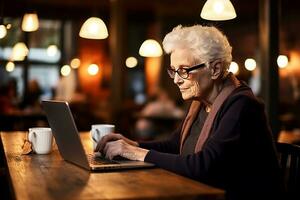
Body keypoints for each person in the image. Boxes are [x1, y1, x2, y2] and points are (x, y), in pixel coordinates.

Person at [95, 25, 284, 199]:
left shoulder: (242, 104)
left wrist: (135, 153)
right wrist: (132, 144)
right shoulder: (201, 103)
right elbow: (175, 145)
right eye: (174, 71)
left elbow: (203, 166)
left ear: (215, 69)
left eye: (184, 70)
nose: (176, 80)